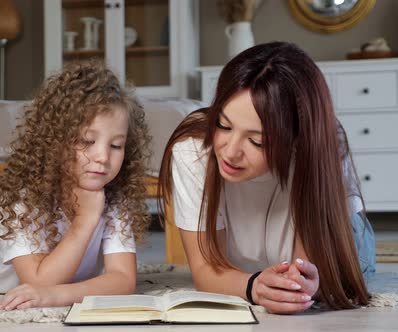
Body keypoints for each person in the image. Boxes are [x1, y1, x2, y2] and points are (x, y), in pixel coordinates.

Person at [158, 42, 375, 314]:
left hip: (340, 245)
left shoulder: (322, 148)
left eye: (257, 141)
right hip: (249, 262)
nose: (230, 151)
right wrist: (254, 287)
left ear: (296, 141)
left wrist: (306, 286)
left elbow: (305, 275)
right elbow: (205, 270)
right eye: (224, 125)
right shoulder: (193, 149)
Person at [0, 60, 151, 310]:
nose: (103, 157)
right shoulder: (24, 198)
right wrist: (86, 219)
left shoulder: (115, 198)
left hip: (42, 256)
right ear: (55, 142)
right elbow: (40, 282)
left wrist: (58, 296)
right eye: (86, 141)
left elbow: (124, 280)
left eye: (116, 145)